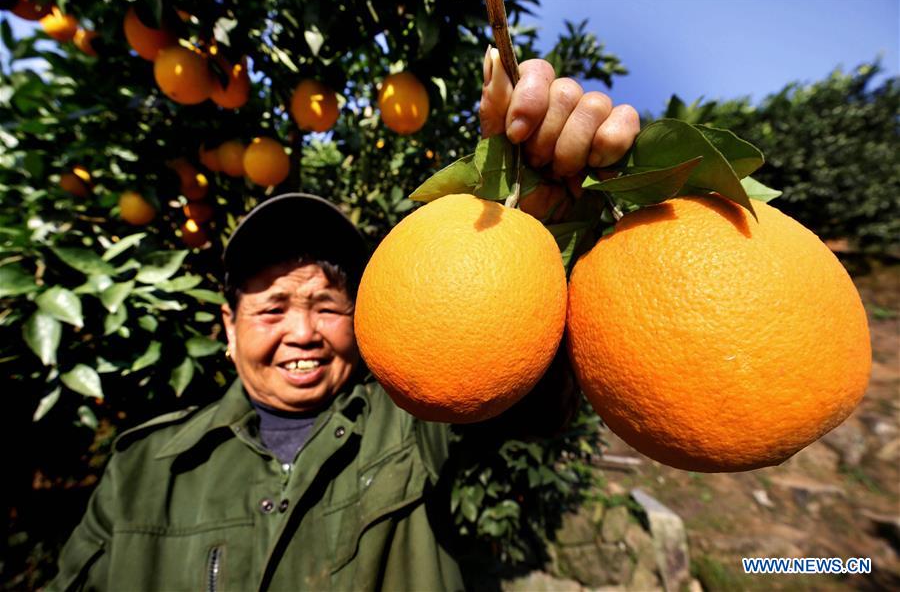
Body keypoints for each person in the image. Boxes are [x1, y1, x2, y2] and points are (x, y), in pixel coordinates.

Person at [49, 49, 640, 591]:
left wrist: (545, 237)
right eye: (273, 307)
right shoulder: (144, 471)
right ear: (227, 327)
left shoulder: (410, 418)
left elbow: (519, 395)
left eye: (326, 305)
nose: (302, 333)